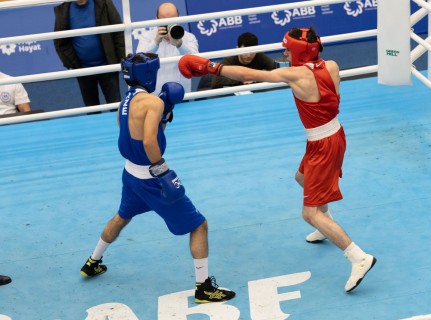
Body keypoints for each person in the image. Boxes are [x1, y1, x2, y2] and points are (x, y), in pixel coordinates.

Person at [178, 27, 376, 293]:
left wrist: (212, 67)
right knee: (301, 178)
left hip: (322, 144)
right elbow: (298, 71)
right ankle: (325, 224)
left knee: (309, 213)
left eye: (287, 49)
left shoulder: (295, 75)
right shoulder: (331, 65)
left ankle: (358, 257)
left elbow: (251, 74)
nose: (284, 52)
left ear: (296, 52)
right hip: (334, 133)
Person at [80, 52, 235, 304]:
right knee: (199, 225)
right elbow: (150, 141)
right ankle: (203, 288)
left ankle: (92, 262)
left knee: (122, 216)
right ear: (150, 73)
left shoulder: (124, 102)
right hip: (150, 178)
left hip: (130, 173)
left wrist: (163, 116)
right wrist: (161, 170)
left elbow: (130, 130)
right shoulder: (153, 103)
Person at [53, 0, 125, 107]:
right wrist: (73, 64)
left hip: (108, 66)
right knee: (92, 111)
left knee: (116, 107)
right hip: (83, 70)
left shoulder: (103, 3)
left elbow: (118, 31)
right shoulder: (64, 11)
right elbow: (60, 42)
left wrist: (121, 59)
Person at [136, 2, 199, 95]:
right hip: (154, 99)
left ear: (179, 18)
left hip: (182, 97)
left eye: (172, 20)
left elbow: (195, 63)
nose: (169, 24)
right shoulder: (146, 37)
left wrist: (180, 44)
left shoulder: (189, 38)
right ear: (156, 20)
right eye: (164, 21)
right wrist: (156, 42)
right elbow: (139, 63)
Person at [211, 32, 276, 89]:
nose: (249, 55)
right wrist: (241, 80)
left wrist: (256, 77)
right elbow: (216, 81)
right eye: (245, 51)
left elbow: (276, 70)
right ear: (237, 49)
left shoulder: (259, 56)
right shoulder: (229, 60)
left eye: (252, 52)